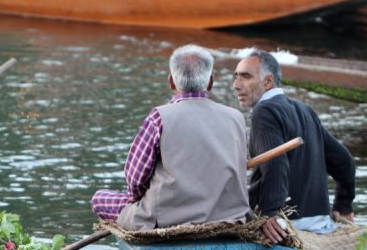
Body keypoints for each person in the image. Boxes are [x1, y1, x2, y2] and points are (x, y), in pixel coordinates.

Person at [91, 45, 250, 231]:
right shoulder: (236, 117)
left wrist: (137, 199)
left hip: (167, 220)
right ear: (210, 83)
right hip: (230, 217)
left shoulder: (159, 116)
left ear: (172, 82)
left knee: (99, 199)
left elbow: (134, 179)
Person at [232, 50, 356, 243]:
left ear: (267, 81)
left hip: (288, 223)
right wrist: (344, 205)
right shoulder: (304, 109)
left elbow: (275, 165)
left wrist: (269, 213)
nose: (236, 85)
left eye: (245, 77)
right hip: (321, 222)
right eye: (236, 77)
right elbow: (344, 162)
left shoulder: (263, 112)